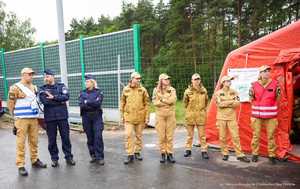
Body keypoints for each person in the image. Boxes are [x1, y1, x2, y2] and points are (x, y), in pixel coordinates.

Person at [7, 67, 47, 176]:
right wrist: (14, 119)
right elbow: (10, 104)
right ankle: (21, 165)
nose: (31, 76)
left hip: (33, 118)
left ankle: (34, 160)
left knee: (34, 140)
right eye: (29, 74)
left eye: (32, 74)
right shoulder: (15, 88)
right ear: (23, 75)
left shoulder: (34, 87)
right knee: (21, 143)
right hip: (21, 119)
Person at [38, 69, 75, 167]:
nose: (46, 78)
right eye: (45, 77)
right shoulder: (42, 88)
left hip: (62, 116)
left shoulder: (61, 86)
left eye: (48, 76)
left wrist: (53, 97)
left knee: (66, 138)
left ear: (53, 76)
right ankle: (54, 159)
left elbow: (66, 97)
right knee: (52, 139)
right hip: (50, 118)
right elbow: (45, 101)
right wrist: (59, 100)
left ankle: (69, 157)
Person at [249, 65, 280, 164]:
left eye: (268, 71)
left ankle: (272, 156)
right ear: (260, 73)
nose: (267, 73)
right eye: (265, 71)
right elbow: (251, 99)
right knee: (256, 136)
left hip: (271, 116)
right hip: (256, 116)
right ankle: (255, 154)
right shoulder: (253, 85)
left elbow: (278, 98)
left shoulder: (275, 84)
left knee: (271, 136)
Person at [215, 75, 250, 163]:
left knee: (235, 136)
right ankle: (225, 153)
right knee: (222, 137)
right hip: (221, 118)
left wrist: (225, 102)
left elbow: (237, 104)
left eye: (230, 81)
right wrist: (231, 102)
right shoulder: (218, 93)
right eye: (227, 81)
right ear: (223, 83)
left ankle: (240, 154)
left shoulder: (234, 92)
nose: (229, 82)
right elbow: (220, 105)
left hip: (231, 117)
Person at [120, 72, 149, 164]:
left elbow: (147, 104)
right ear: (132, 79)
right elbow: (122, 102)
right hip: (129, 117)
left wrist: (147, 116)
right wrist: (121, 115)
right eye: (136, 78)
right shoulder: (126, 89)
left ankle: (137, 152)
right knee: (128, 135)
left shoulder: (143, 90)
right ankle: (130, 154)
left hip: (140, 116)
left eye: (139, 78)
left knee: (138, 136)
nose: (138, 80)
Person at [79, 75, 105, 165]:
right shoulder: (82, 93)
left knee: (98, 136)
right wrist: (91, 102)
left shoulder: (99, 92)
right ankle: (93, 155)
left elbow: (98, 103)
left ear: (93, 82)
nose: (86, 83)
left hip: (97, 116)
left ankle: (100, 156)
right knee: (90, 137)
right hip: (86, 117)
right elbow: (82, 105)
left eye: (88, 82)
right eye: (85, 82)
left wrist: (87, 101)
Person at [183, 73, 209, 159]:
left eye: (198, 79)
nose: (197, 81)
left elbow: (206, 102)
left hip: (201, 115)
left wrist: (202, 110)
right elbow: (185, 103)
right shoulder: (187, 91)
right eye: (195, 79)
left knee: (202, 135)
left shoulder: (204, 90)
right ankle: (188, 149)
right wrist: (189, 112)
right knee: (190, 135)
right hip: (190, 115)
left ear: (200, 80)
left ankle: (204, 151)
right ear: (192, 81)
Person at [152, 73, 177, 163]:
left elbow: (173, 101)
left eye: (168, 79)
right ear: (161, 81)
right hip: (160, 116)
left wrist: (162, 100)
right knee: (161, 136)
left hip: (170, 115)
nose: (167, 80)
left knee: (169, 136)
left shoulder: (172, 89)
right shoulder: (156, 90)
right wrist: (166, 102)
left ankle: (170, 154)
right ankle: (163, 153)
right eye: (165, 79)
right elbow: (154, 102)